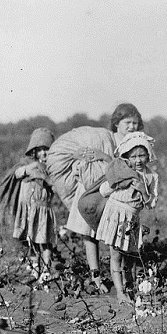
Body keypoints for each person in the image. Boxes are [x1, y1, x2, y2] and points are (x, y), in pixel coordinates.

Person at [46, 103, 143, 293]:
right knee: (88, 233)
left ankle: (122, 278)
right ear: (116, 123)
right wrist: (91, 157)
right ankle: (96, 276)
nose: (131, 126)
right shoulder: (106, 138)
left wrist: (104, 157)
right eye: (127, 122)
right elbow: (83, 154)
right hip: (91, 188)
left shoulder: (133, 145)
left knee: (115, 234)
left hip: (114, 193)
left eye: (135, 123)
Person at [96, 132, 158, 304]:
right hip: (116, 214)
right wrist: (117, 183)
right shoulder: (122, 172)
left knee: (130, 255)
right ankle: (120, 293)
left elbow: (151, 204)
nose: (138, 160)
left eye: (142, 155)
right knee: (115, 254)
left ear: (149, 155)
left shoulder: (151, 177)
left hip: (132, 218)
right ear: (127, 157)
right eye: (134, 156)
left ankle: (129, 286)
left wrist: (143, 190)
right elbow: (103, 191)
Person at [12, 128, 57, 283]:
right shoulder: (28, 165)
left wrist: (43, 177)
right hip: (28, 209)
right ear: (34, 151)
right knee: (30, 240)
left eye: (47, 150)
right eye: (40, 150)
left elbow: (55, 187)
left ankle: (45, 270)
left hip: (42, 208)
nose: (44, 153)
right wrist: (28, 169)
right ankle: (34, 269)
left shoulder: (52, 168)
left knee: (43, 240)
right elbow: (17, 174)